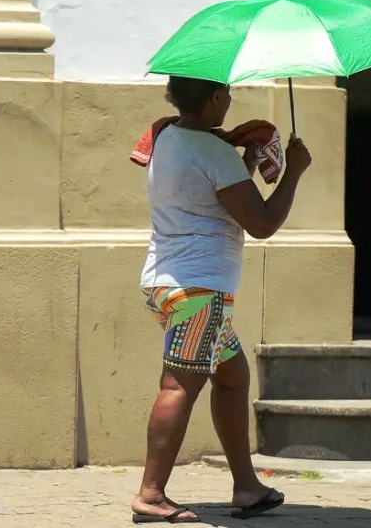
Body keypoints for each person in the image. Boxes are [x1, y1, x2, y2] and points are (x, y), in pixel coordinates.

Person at [130, 76, 313, 523]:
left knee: (231, 376)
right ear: (214, 98)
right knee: (179, 385)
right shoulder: (213, 151)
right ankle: (151, 495)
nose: (231, 100)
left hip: (168, 282)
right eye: (227, 93)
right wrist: (294, 170)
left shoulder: (167, 136)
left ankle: (247, 487)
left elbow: (210, 197)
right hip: (199, 291)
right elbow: (262, 222)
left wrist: (245, 163)